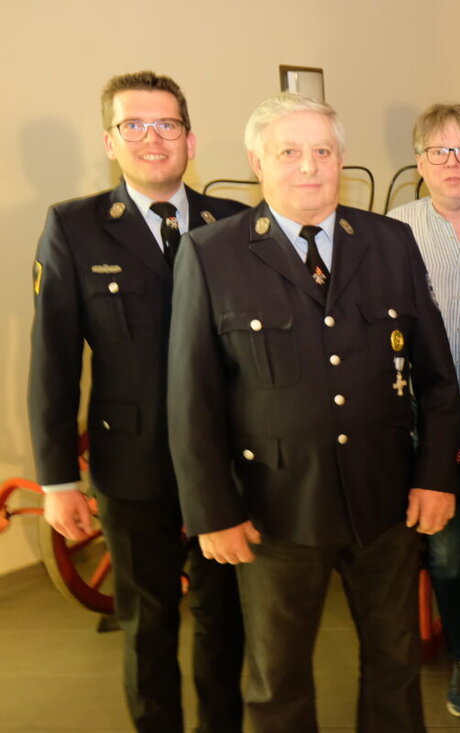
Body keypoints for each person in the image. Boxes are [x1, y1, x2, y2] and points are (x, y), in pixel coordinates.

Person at [166, 93, 460, 733]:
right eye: (289, 152)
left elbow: (437, 379)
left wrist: (435, 475)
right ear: (257, 162)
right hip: (274, 511)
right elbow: (191, 400)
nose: (308, 167)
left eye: (322, 151)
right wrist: (213, 512)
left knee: (395, 667)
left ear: (342, 160)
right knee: (276, 682)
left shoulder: (389, 241)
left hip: (384, 505)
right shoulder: (212, 253)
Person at [28, 70, 246, 733]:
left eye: (167, 124)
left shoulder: (232, 224)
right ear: (111, 141)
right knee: (147, 623)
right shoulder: (75, 228)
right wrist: (59, 478)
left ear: (190, 138)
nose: (153, 139)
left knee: (224, 621)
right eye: (135, 125)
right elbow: (54, 361)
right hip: (132, 462)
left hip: (225, 463)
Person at [388, 102, 460, 720]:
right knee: (449, 554)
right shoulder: (395, 229)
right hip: (432, 422)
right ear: (420, 164)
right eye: (438, 152)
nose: (453, 163)